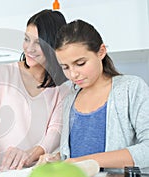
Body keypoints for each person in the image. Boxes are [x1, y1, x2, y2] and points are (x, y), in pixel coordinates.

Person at [37, 19, 149, 169]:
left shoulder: (131, 88)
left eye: (80, 63)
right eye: (65, 67)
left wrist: (85, 161)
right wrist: (57, 159)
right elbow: (72, 156)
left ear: (101, 52)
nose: (73, 74)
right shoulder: (70, 98)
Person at [0, 9, 70, 170]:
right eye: (26, 39)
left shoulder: (63, 90)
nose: (29, 48)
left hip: (31, 170)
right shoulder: (3, 74)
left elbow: (55, 132)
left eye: (38, 43)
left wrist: (27, 156)